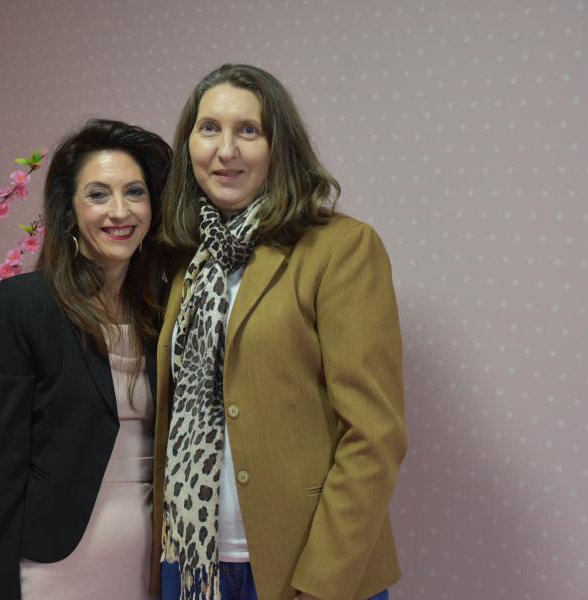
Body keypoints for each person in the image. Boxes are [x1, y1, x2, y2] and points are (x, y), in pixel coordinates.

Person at [151, 64, 407, 600]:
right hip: (192, 563)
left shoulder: (340, 248)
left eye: (249, 130)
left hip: (305, 567)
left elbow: (374, 435)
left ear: (278, 146)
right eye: (209, 128)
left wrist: (322, 585)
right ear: (189, 143)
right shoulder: (184, 260)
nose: (226, 150)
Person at [0, 119, 172, 600]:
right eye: (98, 195)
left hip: (154, 562)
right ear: (69, 210)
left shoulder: (168, 309)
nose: (119, 211)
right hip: (54, 568)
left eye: (135, 192)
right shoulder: (23, 305)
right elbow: (2, 466)